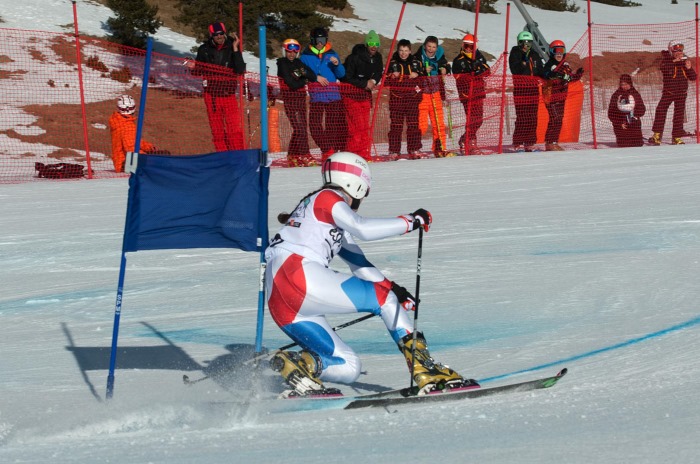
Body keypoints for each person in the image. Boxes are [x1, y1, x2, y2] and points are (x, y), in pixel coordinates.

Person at [265, 151, 478, 398]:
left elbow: (358, 262)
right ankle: (426, 371)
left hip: (281, 299)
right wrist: (411, 221)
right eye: (365, 191)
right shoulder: (327, 197)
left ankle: (299, 365)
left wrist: (394, 288)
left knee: (348, 366)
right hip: (299, 274)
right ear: (355, 184)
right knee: (382, 300)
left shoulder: (318, 213)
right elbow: (362, 228)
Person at [188, 22, 246, 152]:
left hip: (228, 95)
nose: (219, 37)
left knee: (234, 130)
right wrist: (193, 67)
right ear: (211, 35)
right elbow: (197, 71)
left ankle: (237, 155)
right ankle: (222, 156)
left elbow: (240, 69)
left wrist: (236, 49)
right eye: (216, 35)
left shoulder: (232, 46)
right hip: (211, 96)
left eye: (221, 34)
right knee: (217, 131)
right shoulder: (204, 49)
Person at [300, 27, 347, 161]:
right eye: (317, 40)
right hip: (317, 96)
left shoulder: (332, 54)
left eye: (322, 40)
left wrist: (337, 64)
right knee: (315, 125)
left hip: (333, 96)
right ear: (313, 40)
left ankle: (329, 154)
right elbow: (301, 72)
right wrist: (315, 77)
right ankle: (327, 149)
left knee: (332, 126)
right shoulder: (305, 56)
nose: (320, 43)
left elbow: (342, 74)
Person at [342, 30, 384, 161]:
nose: (373, 46)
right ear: (366, 44)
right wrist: (364, 83)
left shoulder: (378, 58)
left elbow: (378, 73)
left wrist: (373, 81)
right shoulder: (354, 58)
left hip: (365, 97)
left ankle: (363, 154)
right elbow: (347, 77)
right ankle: (352, 155)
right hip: (351, 96)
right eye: (371, 43)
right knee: (356, 129)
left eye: (376, 43)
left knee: (364, 128)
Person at [277, 38, 317, 167]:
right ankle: (305, 154)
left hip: (300, 99)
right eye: (289, 51)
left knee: (301, 128)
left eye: (294, 52)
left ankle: (292, 154)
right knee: (299, 128)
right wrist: (303, 80)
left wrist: (299, 73)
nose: (292, 54)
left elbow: (312, 75)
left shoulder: (298, 62)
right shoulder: (282, 63)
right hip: (290, 99)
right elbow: (291, 83)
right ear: (285, 51)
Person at [649, 40, 697, 145]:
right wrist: (674, 62)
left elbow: (693, 77)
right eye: (676, 50)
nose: (679, 52)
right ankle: (657, 135)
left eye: (680, 50)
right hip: (669, 92)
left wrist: (689, 68)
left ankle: (676, 137)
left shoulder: (685, 61)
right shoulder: (666, 60)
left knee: (679, 115)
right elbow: (664, 68)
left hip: (681, 93)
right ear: (671, 51)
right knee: (661, 110)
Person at [452, 34, 490, 155]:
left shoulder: (479, 57)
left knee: (478, 119)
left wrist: (478, 70)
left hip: (478, 92)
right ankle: (471, 142)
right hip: (467, 94)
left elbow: (487, 70)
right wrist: (470, 73)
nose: (468, 49)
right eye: (466, 46)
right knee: (472, 119)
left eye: (470, 46)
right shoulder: (458, 60)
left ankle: (465, 139)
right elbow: (458, 77)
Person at [542, 40, 583, 151]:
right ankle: (552, 142)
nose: (559, 54)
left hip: (561, 95)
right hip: (551, 95)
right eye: (556, 51)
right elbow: (546, 74)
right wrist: (556, 75)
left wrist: (577, 75)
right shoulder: (550, 64)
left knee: (557, 118)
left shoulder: (565, 65)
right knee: (556, 118)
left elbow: (569, 77)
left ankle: (550, 142)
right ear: (551, 52)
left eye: (561, 51)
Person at [508, 31, 546, 152]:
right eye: (523, 43)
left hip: (533, 89)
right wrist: (523, 62)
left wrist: (550, 74)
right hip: (521, 89)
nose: (526, 45)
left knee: (532, 116)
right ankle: (518, 142)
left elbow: (540, 70)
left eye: (528, 42)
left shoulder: (534, 54)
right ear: (519, 43)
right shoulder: (515, 53)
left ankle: (530, 142)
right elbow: (515, 70)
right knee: (522, 116)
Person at [385, 39, 423, 157]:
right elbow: (385, 79)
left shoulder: (416, 62)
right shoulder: (392, 62)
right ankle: (394, 150)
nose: (403, 53)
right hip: (397, 99)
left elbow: (424, 77)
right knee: (396, 126)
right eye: (401, 50)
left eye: (406, 50)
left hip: (412, 99)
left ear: (410, 51)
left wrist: (418, 74)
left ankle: (414, 148)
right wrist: (391, 76)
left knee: (413, 125)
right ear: (398, 50)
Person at [416, 36, 450, 157]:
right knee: (422, 124)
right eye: (429, 46)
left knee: (439, 123)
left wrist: (445, 69)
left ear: (437, 47)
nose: (431, 49)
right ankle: (415, 148)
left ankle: (440, 147)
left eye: (434, 47)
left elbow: (447, 66)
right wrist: (423, 70)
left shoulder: (440, 56)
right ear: (425, 46)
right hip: (423, 95)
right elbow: (415, 70)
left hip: (436, 94)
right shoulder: (418, 57)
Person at [108, 95, 161, 172]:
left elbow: (135, 141)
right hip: (126, 164)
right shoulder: (127, 125)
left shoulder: (118, 121)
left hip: (120, 162)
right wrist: (147, 157)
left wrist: (149, 148)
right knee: (161, 159)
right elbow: (130, 148)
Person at [607, 74, 646, 148]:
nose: (624, 86)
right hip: (621, 125)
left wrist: (634, 115)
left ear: (630, 84)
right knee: (624, 145)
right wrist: (619, 123)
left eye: (626, 84)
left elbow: (642, 109)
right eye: (622, 84)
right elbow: (611, 113)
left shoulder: (635, 94)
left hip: (633, 124)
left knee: (637, 144)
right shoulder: (616, 95)